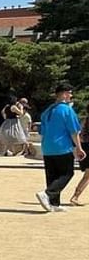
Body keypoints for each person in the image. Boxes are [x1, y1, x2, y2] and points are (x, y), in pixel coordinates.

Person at [36, 82, 85, 212]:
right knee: (67, 173)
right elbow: (74, 131)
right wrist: (79, 148)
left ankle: (53, 204)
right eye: (69, 93)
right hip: (62, 146)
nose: (71, 95)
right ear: (63, 94)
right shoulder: (67, 110)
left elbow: (42, 131)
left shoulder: (47, 111)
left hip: (47, 147)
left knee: (52, 175)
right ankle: (47, 194)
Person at [70, 112, 89, 206]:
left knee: (87, 175)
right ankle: (75, 197)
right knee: (87, 175)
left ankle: (75, 196)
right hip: (87, 147)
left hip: (84, 147)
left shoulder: (84, 120)